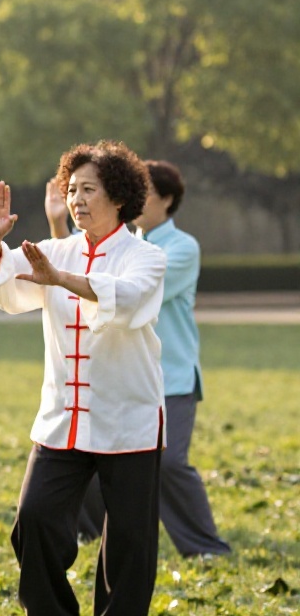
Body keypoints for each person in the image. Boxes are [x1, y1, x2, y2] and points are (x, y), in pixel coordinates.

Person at [0, 141, 166, 616]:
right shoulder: (53, 251)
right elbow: (3, 286)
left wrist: (61, 280)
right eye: (71, 190)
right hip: (64, 417)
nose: (77, 200)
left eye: (88, 190)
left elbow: (127, 299)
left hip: (128, 415)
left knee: (129, 531)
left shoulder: (147, 257)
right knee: (34, 516)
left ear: (119, 196)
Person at [44, 164, 232, 558]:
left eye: (145, 194)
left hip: (172, 377)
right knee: (93, 457)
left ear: (167, 200)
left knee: (169, 464)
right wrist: (58, 225)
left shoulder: (175, 249)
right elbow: (72, 274)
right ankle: (91, 532)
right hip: (119, 376)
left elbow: (127, 295)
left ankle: (204, 545)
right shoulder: (118, 245)